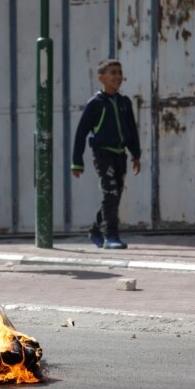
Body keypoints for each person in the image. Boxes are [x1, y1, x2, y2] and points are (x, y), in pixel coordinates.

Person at [71, 59, 141, 249]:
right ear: (101, 77)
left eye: (119, 72)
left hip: (121, 155)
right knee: (110, 193)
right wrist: (76, 162)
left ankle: (95, 229)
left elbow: (131, 130)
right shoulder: (95, 103)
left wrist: (136, 154)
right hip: (103, 154)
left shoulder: (124, 102)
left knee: (115, 194)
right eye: (112, 73)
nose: (117, 76)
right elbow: (81, 132)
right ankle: (111, 236)